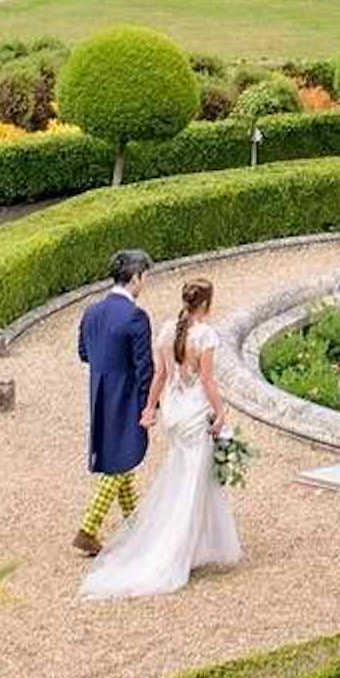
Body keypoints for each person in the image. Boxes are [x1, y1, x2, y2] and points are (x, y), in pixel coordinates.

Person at [80, 274, 242, 600]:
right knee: (191, 482)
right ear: (207, 304)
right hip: (195, 412)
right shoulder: (205, 335)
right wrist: (221, 413)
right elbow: (208, 382)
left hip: (175, 412)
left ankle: (190, 543)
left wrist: (150, 408)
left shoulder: (168, 331)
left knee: (182, 473)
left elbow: (160, 375)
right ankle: (176, 548)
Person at [74, 248, 155, 555]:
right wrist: (150, 405)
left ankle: (138, 527)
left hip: (99, 391)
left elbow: (83, 353)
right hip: (126, 394)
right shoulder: (136, 316)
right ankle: (88, 527)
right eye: (144, 276)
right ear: (135, 277)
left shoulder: (91, 311)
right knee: (122, 460)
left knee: (123, 457)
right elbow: (144, 367)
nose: (145, 282)